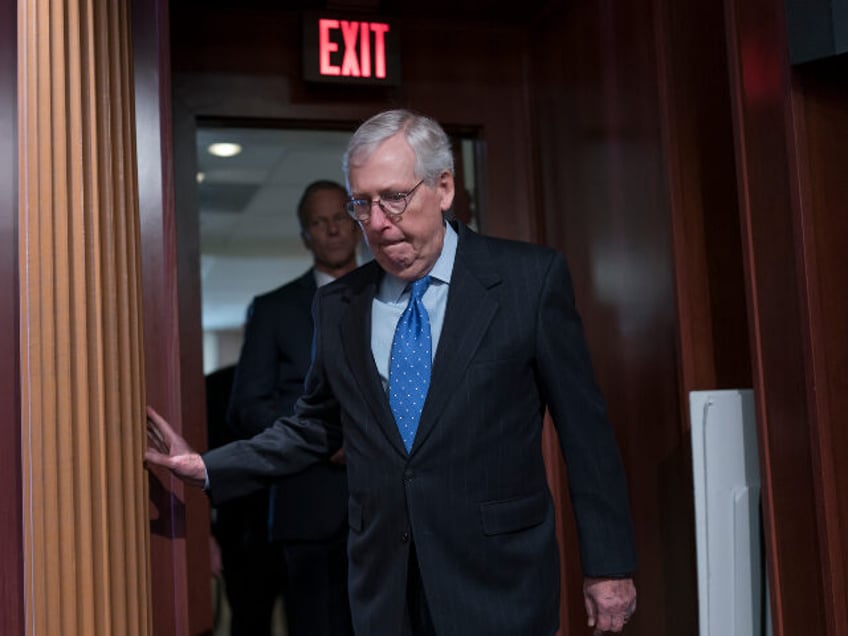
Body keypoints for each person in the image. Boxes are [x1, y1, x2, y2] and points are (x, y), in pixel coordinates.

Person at [146, 108, 638, 635]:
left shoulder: (528, 281)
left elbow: (585, 434)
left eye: (394, 198)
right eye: (363, 203)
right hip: (386, 586)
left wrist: (608, 566)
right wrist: (209, 466)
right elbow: (314, 426)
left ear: (443, 188)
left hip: (497, 579)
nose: (377, 223)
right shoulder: (339, 305)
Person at [225, 180, 359, 636]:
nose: (333, 230)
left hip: (397, 508)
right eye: (319, 223)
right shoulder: (274, 310)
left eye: (340, 217)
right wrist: (322, 442)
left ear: (358, 221)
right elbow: (247, 407)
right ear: (306, 236)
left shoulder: (400, 294)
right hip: (309, 507)